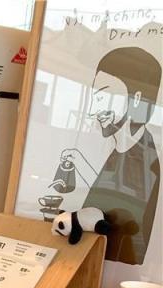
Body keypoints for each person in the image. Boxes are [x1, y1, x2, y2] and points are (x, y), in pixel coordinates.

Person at [60, 46, 161, 265]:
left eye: (104, 96)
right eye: (94, 97)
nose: (93, 110)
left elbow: (119, 215)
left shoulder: (144, 158)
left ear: (136, 100)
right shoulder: (121, 148)